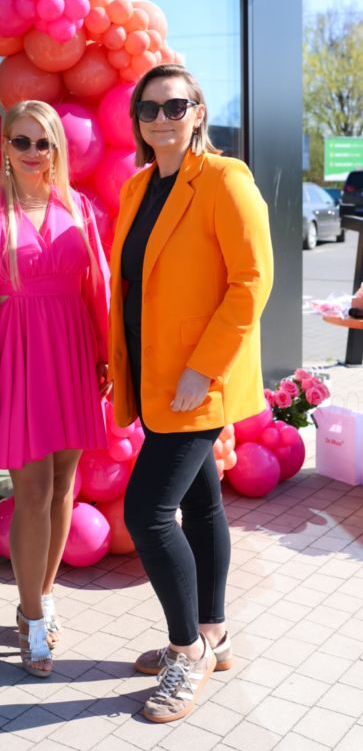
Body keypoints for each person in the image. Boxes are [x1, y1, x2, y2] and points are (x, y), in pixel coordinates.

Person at [109, 65, 273, 724]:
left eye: (174, 106)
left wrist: (202, 369)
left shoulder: (225, 180)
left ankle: (186, 651)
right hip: (153, 378)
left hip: (195, 382)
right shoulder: (138, 186)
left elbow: (251, 281)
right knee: (202, 506)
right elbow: (132, 287)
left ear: (197, 112)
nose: (160, 118)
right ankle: (214, 634)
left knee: (147, 513)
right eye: (148, 108)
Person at [0, 100, 110, 678]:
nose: (32, 153)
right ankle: (32, 618)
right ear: (5, 147)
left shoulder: (79, 206)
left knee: (65, 482)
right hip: (18, 355)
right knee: (33, 490)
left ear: (56, 149)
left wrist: (106, 355)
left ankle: (42, 598)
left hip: (73, 352)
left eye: (42, 143)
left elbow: (98, 286)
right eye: (21, 141)